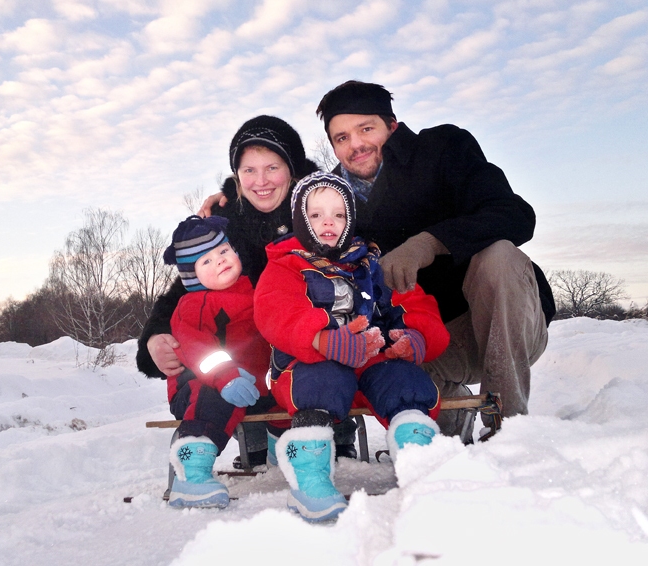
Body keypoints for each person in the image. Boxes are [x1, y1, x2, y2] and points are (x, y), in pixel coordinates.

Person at [315, 80, 556, 435]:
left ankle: (509, 427)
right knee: (395, 376)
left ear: (391, 126)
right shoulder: (334, 198)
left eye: (366, 129)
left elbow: (514, 214)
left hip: (504, 321)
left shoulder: (442, 148)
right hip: (432, 343)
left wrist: (428, 243)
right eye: (341, 138)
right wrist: (236, 199)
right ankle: (453, 429)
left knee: (498, 256)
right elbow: (293, 224)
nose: (356, 145)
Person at [135, 115, 359, 465]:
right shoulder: (227, 226)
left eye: (272, 167)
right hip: (257, 359)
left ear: (293, 170)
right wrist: (155, 337)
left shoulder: (322, 209)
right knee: (230, 341)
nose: (261, 181)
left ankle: (339, 434)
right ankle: (255, 440)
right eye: (249, 171)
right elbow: (189, 289)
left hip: (322, 346)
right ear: (237, 177)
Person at [254, 172, 450, 522]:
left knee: (406, 382)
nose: (328, 221)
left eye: (339, 214)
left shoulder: (374, 264)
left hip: (373, 359)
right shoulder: (286, 266)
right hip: (308, 364)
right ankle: (309, 480)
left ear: (351, 220)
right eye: (316, 215)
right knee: (320, 381)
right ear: (300, 220)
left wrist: (415, 337)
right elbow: (276, 311)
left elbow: (414, 303)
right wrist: (321, 338)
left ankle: (419, 461)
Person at [162, 215, 284, 508]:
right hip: (200, 386)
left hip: (253, 386)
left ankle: (285, 454)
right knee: (212, 400)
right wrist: (226, 377)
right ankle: (192, 473)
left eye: (223, 251)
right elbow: (197, 350)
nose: (219, 260)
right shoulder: (195, 304)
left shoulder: (254, 290)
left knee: (289, 396)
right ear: (191, 275)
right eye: (206, 261)